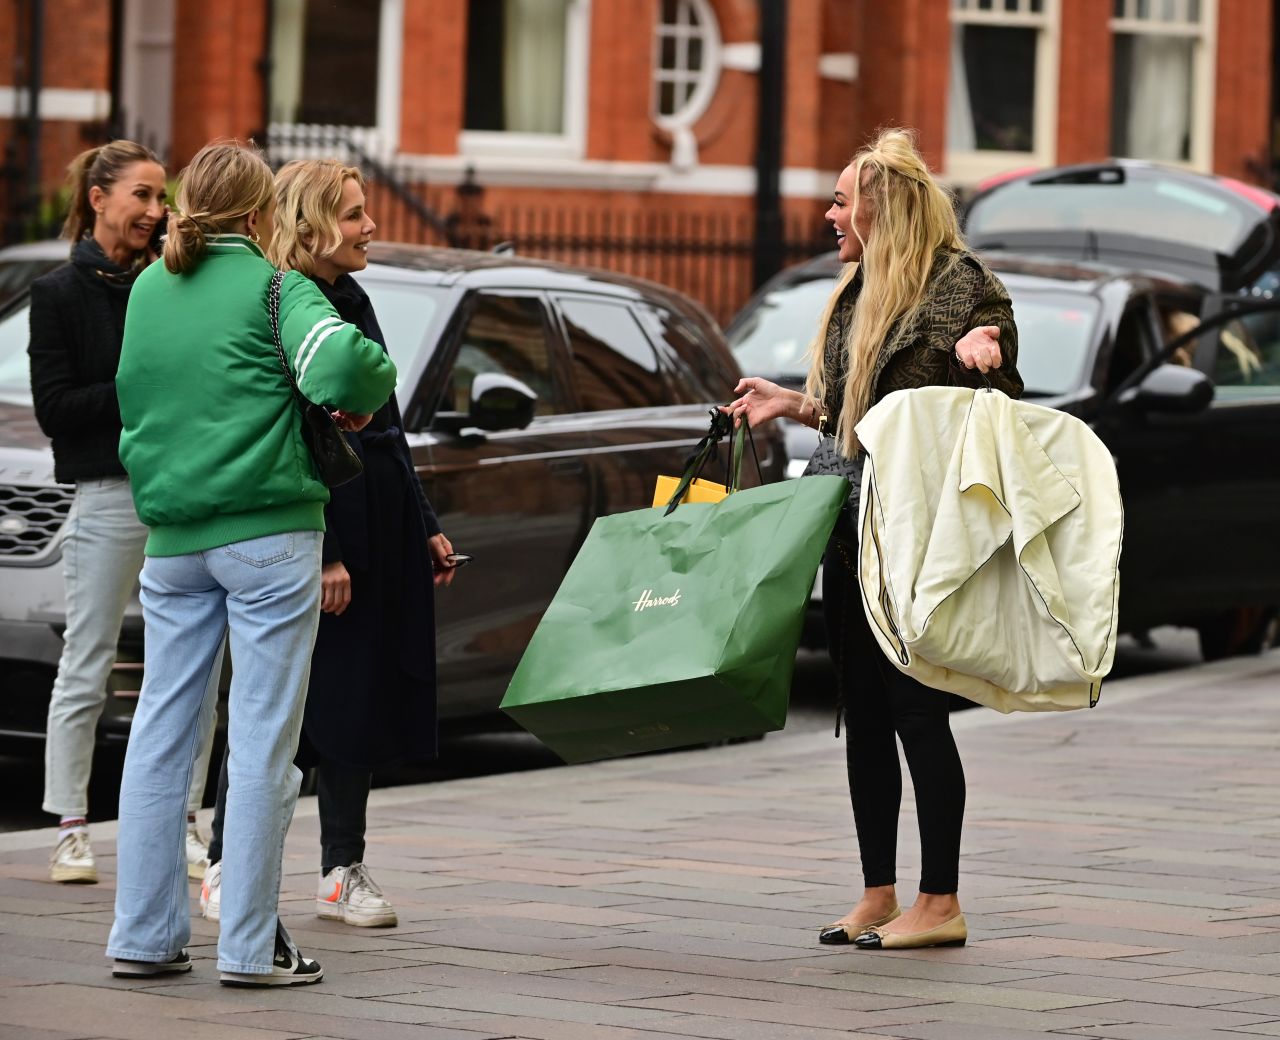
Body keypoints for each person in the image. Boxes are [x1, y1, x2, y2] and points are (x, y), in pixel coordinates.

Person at [105, 141, 397, 986]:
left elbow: (132, 394)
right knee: (263, 739)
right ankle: (249, 944)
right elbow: (350, 367)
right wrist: (356, 396)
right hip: (268, 534)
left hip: (174, 538)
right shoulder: (277, 288)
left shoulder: (150, 288)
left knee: (162, 735)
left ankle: (145, 937)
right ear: (257, 213)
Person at [724, 128, 1023, 951]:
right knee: (862, 712)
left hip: (915, 535)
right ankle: (878, 891)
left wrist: (984, 352)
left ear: (879, 207)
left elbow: (999, 370)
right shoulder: (854, 293)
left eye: (840, 199)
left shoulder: (961, 287)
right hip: (848, 525)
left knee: (917, 707)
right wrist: (793, 404)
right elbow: (858, 418)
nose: (828, 213)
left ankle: (942, 900)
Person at [199, 158, 459, 929]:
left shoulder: (355, 298)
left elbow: (387, 428)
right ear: (308, 225)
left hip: (380, 524)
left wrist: (426, 524)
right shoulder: (281, 302)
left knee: (362, 703)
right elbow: (293, 436)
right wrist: (326, 553)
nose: (369, 226)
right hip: (313, 528)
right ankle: (225, 862)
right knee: (279, 707)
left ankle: (341, 868)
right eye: (352, 214)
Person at [28, 140, 218, 886]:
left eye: (161, 196)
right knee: (89, 661)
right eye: (141, 195)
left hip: (179, 494)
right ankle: (70, 827)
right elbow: (56, 411)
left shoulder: (171, 282)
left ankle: (185, 821)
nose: (155, 211)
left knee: (196, 663)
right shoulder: (59, 294)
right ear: (99, 197)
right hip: (107, 494)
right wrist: (144, 389)